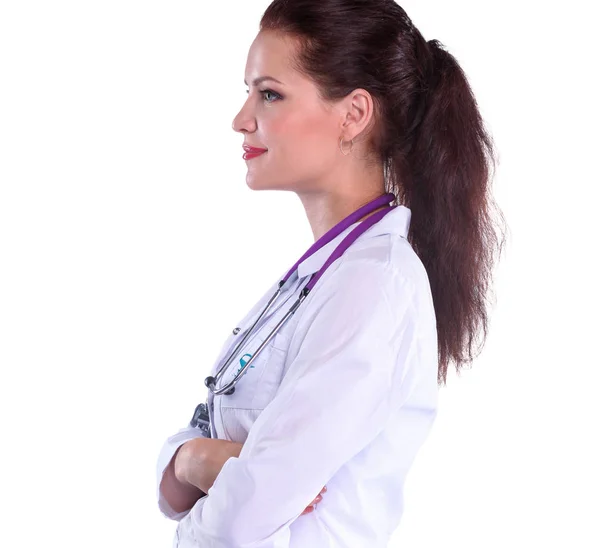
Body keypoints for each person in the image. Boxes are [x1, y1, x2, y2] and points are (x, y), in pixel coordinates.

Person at [156, 0, 506, 546]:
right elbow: (188, 469)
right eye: (248, 91)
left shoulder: (373, 286)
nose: (241, 119)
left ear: (353, 114)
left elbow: (242, 520)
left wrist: (207, 471)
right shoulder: (326, 274)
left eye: (269, 94)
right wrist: (195, 460)